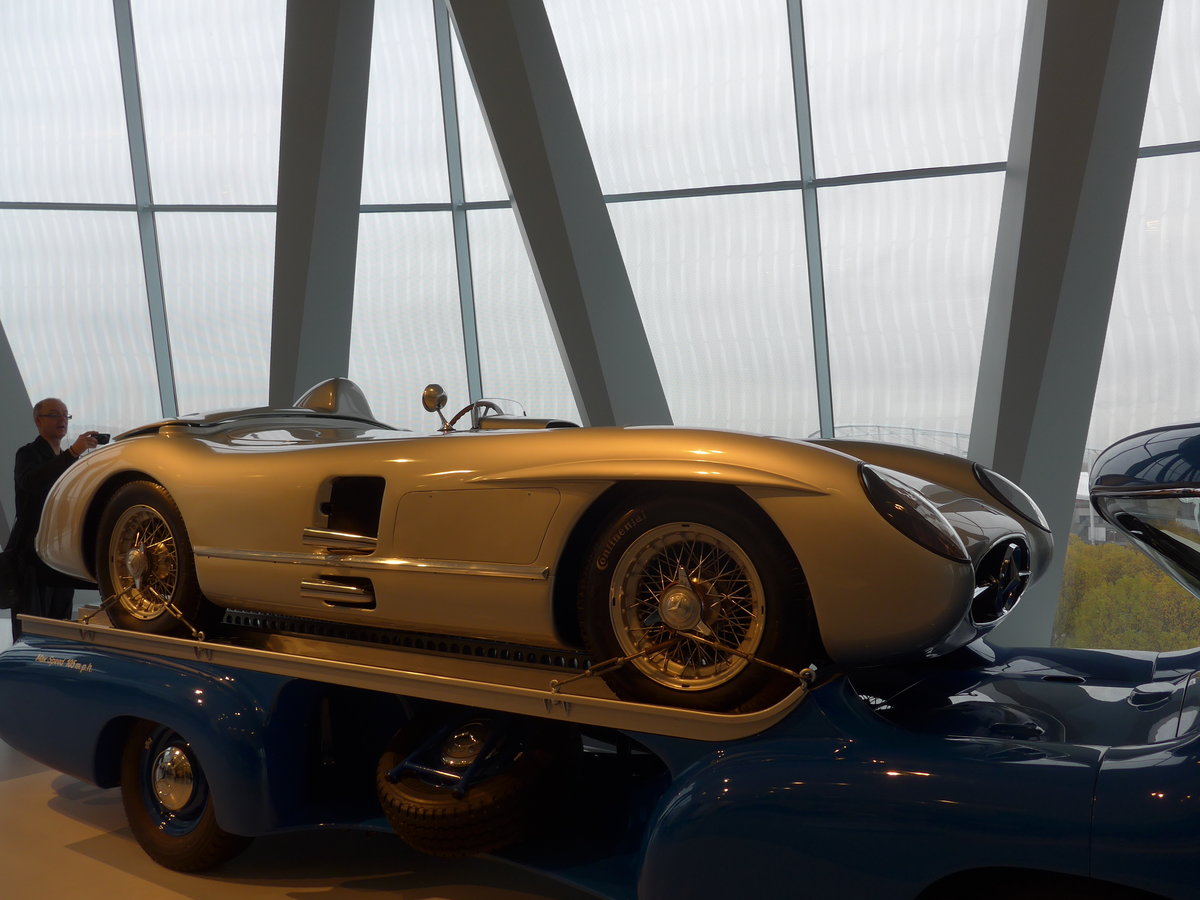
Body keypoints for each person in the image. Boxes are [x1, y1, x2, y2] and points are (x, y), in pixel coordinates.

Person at [5, 398, 100, 641]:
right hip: (32, 556)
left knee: (59, 623)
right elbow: (32, 482)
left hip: (58, 554)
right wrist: (72, 453)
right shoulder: (28, 453)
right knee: (33, 626)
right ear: (38, 421)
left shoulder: (67, 460)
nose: (61, 420)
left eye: (65, 415)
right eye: (54, 414)